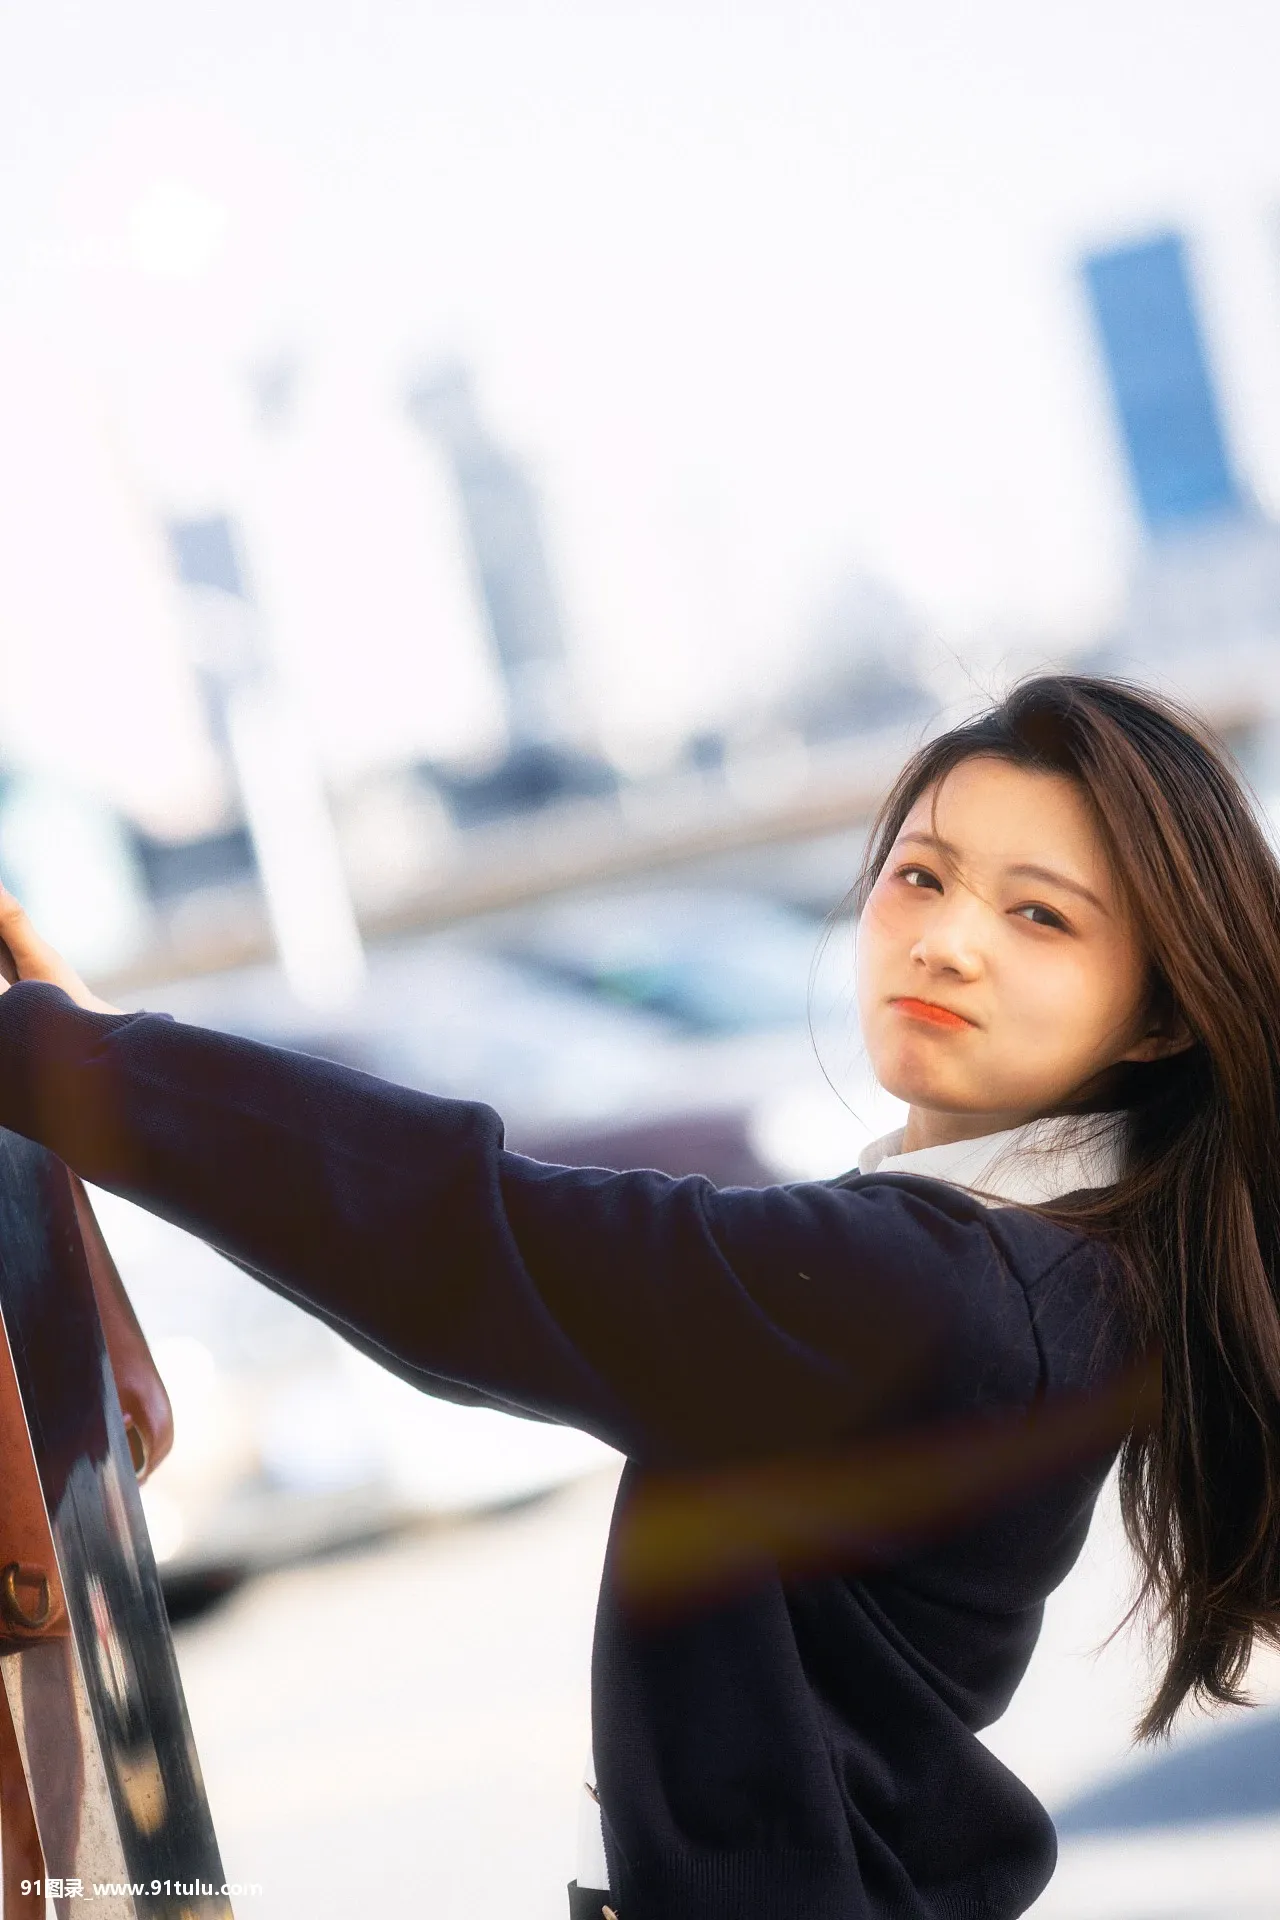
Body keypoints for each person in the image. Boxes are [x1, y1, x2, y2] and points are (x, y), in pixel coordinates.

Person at [0, 671, 1271, 1920]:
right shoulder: (1045, 1265)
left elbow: (466, 1236)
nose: (946, 940)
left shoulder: (946, 1290)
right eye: (921, 876)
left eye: (1039, 916)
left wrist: (68, 1062)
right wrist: (103, 1052)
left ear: (1159, 1018)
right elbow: (501, 1242)